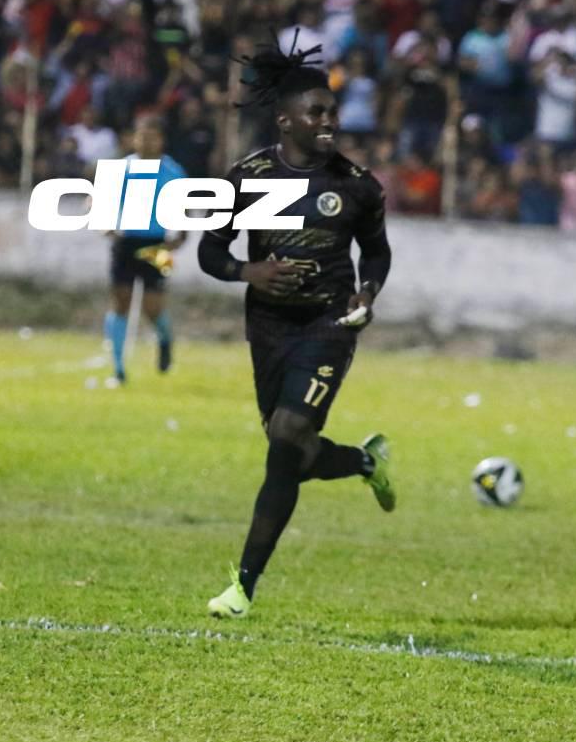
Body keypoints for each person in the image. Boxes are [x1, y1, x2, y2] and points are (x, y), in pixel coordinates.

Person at [198, 37, 394, 619]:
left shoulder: (358, 185)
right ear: (286, 120)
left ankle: (243, 587)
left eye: (332, 111)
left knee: (285, 439)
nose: (329, 121)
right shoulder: (248, 178)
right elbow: (210, 252)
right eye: (317, 113)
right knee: (295, 453)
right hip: (269, 329)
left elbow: (377, 254)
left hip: (329, 324)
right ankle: (365, 462)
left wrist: (367, 290)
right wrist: (248, 271)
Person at [103, 114, 187, 385]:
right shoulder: (122, 168)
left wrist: (180, 237)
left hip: (157, 244)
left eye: (151, 136)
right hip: (126, 242)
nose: (145, 141)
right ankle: (118, 368)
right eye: (141, 135)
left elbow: (183, 212)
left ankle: (164, 340)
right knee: (121, 301)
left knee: (153, 307)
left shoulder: (174, 172)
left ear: (161, 140)